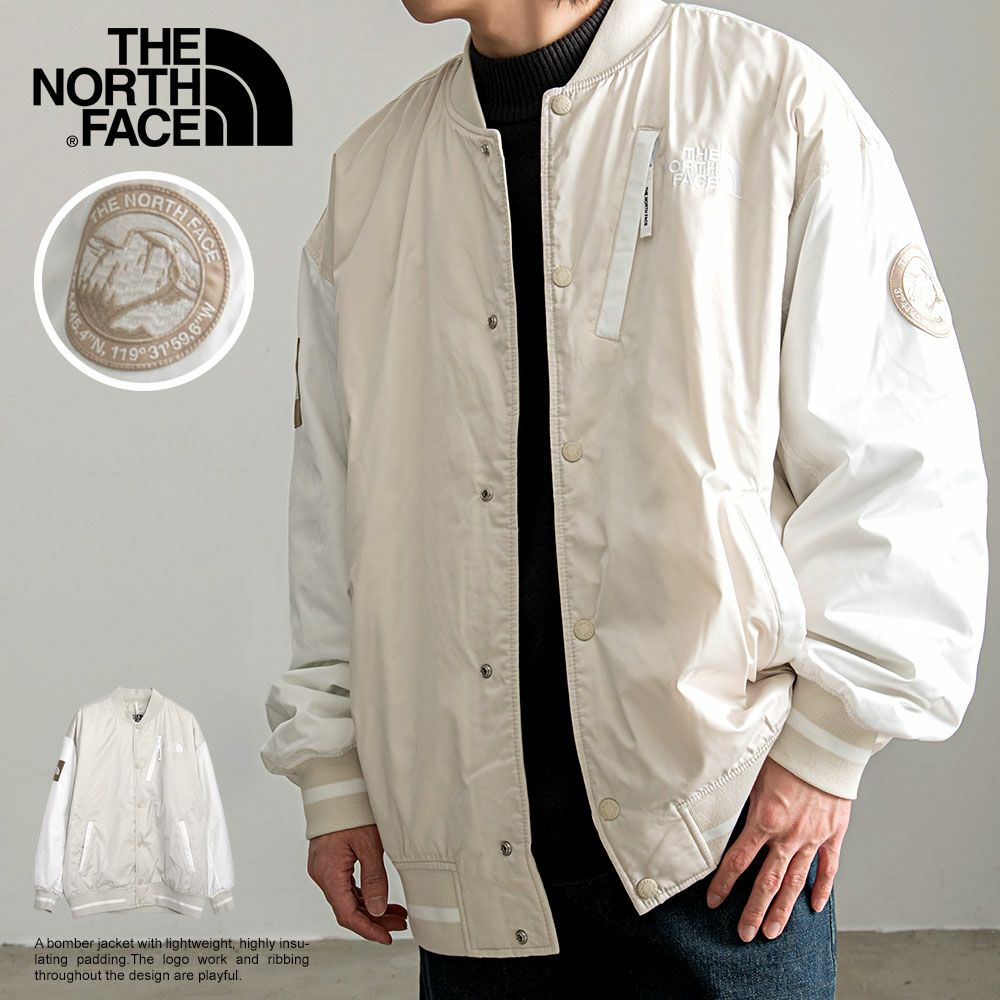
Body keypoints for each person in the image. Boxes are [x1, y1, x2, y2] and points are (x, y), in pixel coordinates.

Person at [260, 1, 989, 996]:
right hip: (473, 846)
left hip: (721, 841)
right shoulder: (374, 175)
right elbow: (332, 507)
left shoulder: (767, 101)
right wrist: (333, 770)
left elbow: (898, 449)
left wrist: (828, 747)